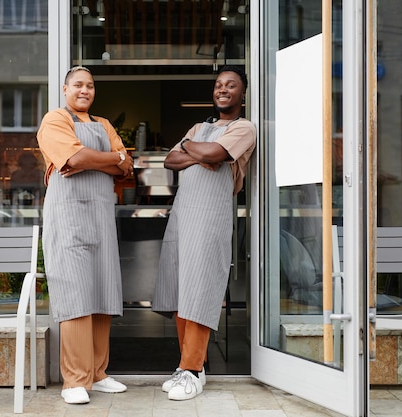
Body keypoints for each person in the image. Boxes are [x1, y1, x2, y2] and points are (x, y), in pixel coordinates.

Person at [152, 65, 256, 401]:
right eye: (219, 84)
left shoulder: (245, 128)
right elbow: (170, 160)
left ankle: (194, 369)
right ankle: (187, 366)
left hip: (211, 217)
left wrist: (194, 150)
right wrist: (192, 148)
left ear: (242, 93)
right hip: (184, 213)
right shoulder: (199, 127)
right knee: (182, 288)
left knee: (200, 288)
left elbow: (215, 154)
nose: (223, 89)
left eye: (231, 85)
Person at [36, 66, 133, 405]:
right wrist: (110, 158)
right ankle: (74, 380)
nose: (84, 90)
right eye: (78, 84)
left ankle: (98, 373)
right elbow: (73, 157)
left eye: (90, 85)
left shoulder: (104, 124)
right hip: (70, 218)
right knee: (76, 291)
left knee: (102, 289)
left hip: (100, 217)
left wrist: (100, 160)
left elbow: (127, 166)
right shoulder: (54, 120)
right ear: (65, 89)